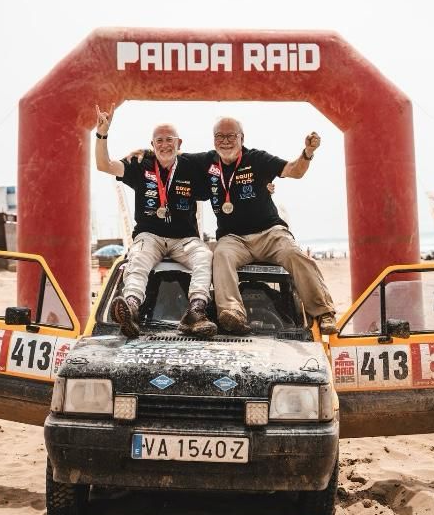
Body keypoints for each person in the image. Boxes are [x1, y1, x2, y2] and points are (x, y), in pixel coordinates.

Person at [182, 117, 338, 334]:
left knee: (294, 254)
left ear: (241, 138)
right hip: (233, 238)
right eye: (220, 136)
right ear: (214, 139)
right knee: (221, 255)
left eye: (231, 136)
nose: (225, 141)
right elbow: (170, 155)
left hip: (269, 234)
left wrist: (307, 153)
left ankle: (323, 313)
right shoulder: (207, 161)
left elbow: (295, 170)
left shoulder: (257, 158)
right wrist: (145, 152)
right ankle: (232, 313)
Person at [94, 104, 217, 339]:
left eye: (169, 139)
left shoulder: (192, 164)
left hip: (185, 239)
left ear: (179, 143)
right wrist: (102, 133)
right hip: (150, 236)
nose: (164, 144)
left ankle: (196, 313)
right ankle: (130, 308)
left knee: (205, 257)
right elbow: (104, 165)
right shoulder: (140, 164)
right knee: (138, 258)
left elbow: (227, 162)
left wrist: (264, 186)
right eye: (158, 140)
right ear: (152, 145)